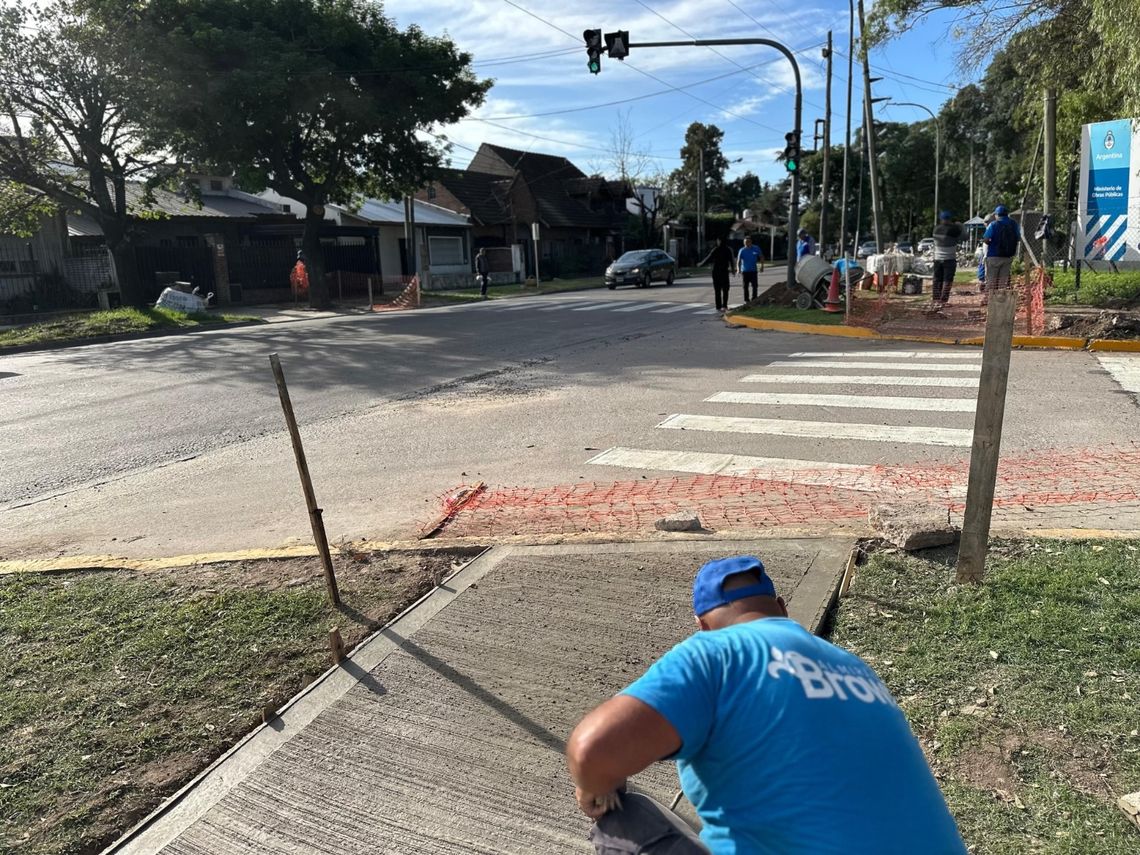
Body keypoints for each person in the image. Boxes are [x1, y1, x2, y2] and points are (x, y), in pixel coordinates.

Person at [566, 555, 968, 855]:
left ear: (701, 625)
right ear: (782, 608)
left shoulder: (715, 653)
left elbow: (593, 751)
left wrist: (595, 788)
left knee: (619, 820)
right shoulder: (856, 668)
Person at [982, 205, 1020, 297]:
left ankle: (989, 300)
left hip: (993, 256)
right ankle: (1000, 301)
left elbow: (986, 239)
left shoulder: (993, 224)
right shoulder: (1014, 224)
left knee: (991, 281)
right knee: (1003, 282)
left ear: (996, 215)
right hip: (1008, 257)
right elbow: (1018, 238)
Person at [931, 210, 964, 307]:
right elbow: (964, 237)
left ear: (941, 219)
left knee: (937, 279)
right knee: (947, 280)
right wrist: (961, 226)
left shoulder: (936, 229)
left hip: (937, 258)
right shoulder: (954, 229)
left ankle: (936, 300)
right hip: (949, 259)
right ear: (950, 219)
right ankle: (943, 300)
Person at [698, 236, 736, 312]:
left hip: (717, 272)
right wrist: (732, 270)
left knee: (718, 290)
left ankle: (719, 306)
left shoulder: (717, 249)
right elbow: (731, 260)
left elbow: (708, 258)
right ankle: (724, 305)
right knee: (724, 289)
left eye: (718, 240)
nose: (718, 242)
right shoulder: (727, 250)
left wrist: (701, 264)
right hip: (722, 272)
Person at [736, 236, 764, 302]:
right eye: (745, 242)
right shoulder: (742, 250)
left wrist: (762, 266)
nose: (746, 243)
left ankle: (754, 298)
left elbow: (761, 256)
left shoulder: (756, 248)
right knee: (745, 286)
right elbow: (738, 260)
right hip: (745, 271)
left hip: (753, 271)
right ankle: (746, 300)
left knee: (755, 286)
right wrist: (738, 269)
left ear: (751, 242)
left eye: (747, 242)